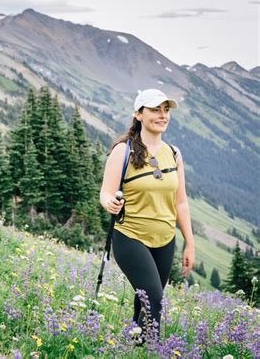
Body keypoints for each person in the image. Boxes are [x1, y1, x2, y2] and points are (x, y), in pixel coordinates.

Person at [100, 89, 195, 339]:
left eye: (166, 110)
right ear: (138, 114)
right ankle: (153, 351)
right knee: (154, 297)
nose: (162, 115)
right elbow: (106, 193)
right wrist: (110, 202)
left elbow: (181, 203)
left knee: (144, 301)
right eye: (155, 110)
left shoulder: (174, 153)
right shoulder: (124, 151)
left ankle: (135, 347)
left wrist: (190, 244)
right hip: (131, 236)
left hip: (165, 240)